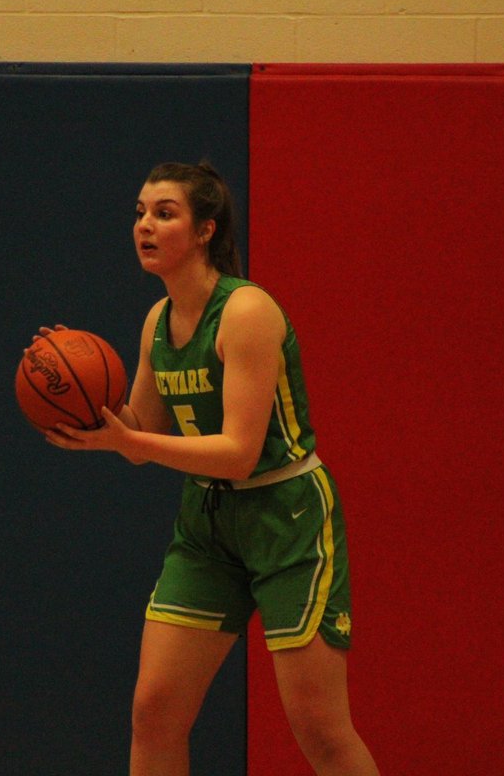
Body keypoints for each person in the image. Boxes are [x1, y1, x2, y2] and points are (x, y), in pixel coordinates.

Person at [40, 162, 378, 775]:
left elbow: (238, 452)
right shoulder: (156, 323)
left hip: (287, 515)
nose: (145, 225)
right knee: (155, 711)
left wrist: (126, 442)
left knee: (322, 731)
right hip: (208, 523)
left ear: (204, 231)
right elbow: (139, 427)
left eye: (164, 213)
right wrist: (76, 388)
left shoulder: (246, 312)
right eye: (140, 212)